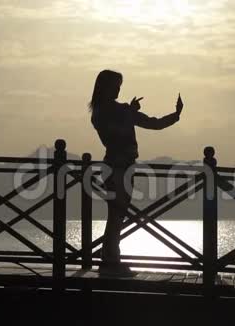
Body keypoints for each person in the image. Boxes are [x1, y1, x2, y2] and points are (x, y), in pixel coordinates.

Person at [88, 69, 184, 276]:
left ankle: (110, 260)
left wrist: (175, 116)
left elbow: (153, 123)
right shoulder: (107, 111)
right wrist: (129, 111)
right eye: (115, 85)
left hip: (118, 167)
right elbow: (120, 131)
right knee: (116, 216)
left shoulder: (104, 111)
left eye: (119, 86)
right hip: (117, 168)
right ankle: (111, 262)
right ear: (104, 87)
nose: (118, 89)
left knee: (116, 216)